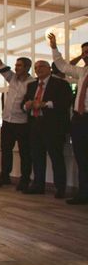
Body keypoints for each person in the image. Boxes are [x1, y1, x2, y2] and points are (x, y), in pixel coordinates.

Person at [21, 57, 73, 198]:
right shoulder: (32, 86)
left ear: (49, 68)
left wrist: (45, 104)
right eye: (36, 68)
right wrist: (26, 105)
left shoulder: (60, 84)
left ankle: (60, 188)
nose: (38, 70)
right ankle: (38, 185)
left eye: (42, 67)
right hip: (35, 124)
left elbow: (66, 102)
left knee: (56, 157)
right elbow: (23, 103)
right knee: (37, 156)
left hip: (53, 126)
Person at [0, 37, 34, 190]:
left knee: (25, 153)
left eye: (19, 65)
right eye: (16, 65)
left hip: (23, 123)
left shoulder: (32, 83)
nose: (16, 67)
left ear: (27, 67)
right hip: (7, 121)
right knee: (6, 151)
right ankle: (4, 176)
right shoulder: (12, 78)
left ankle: (24, 179)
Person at [49, 33, 87, 204]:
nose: (86, 54)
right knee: (81, 158)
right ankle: (84, 194)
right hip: (79, 119)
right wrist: (54, 47)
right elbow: (62, 66)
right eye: (84, 52)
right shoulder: (82, 72)